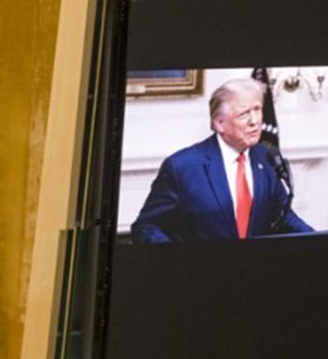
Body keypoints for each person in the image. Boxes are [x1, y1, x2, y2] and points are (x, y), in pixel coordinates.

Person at [130, 78, 314, 243]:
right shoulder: (182, 167)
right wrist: (179, 264)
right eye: (244, 114)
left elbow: (284, 216)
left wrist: (319, 241)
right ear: (219, 123)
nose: (255, 121)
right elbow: (146, 227)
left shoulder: (266, 158)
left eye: (257, 110)